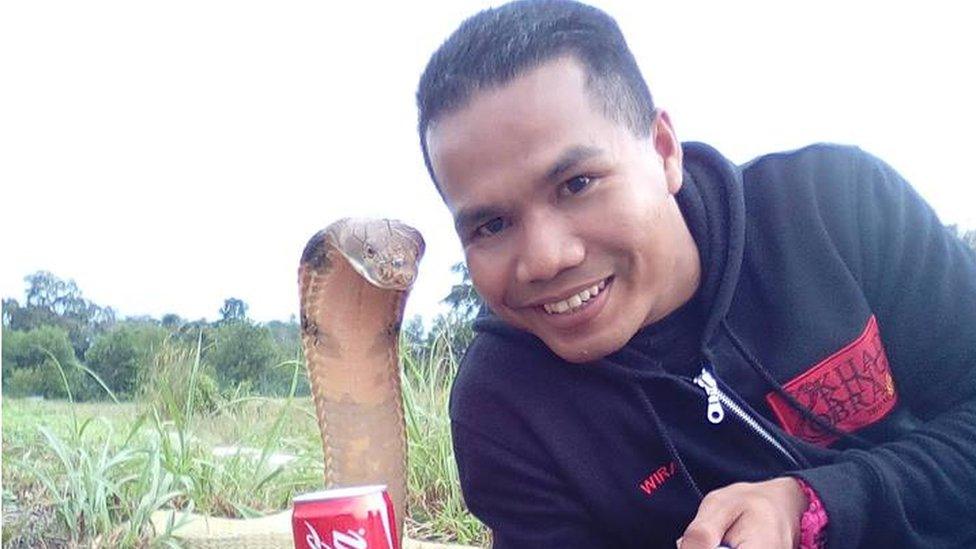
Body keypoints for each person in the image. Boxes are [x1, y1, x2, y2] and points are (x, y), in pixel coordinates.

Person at [415, 1, 976, 547]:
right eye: (491, 225)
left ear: (663, 150)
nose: (544, 259)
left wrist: (816, 506)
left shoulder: (838, 205)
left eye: (577, 184)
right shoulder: (505, 406)